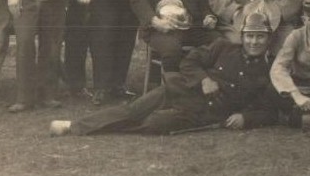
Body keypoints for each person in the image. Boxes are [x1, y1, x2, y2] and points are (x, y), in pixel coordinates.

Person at [49, 11, 278, 136]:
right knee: (134, 109)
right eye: (250, 35)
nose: (254, 42)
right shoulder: (223, 47)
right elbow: (190, 61)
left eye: (260, 37)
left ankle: (109, 128)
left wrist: (246, 118)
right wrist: (204, 79)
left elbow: (270, 111)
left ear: (268, 39)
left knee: (153, 124)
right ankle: (74, 126)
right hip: (177, 89)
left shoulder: (270, 72)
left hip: (201, 114)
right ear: (243, 35)